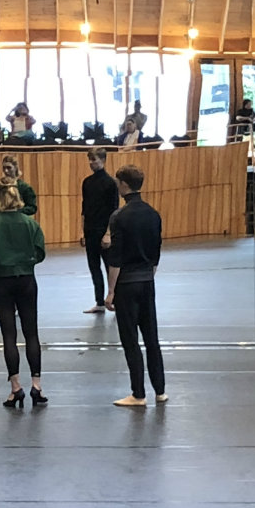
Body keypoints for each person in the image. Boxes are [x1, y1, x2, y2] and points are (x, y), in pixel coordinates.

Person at [0, 182, 47, 409]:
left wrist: (1, 256)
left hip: (2, 280)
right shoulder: (30, 223)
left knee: (8, 333)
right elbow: (41, 253)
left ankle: (15, 387)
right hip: (26, 279)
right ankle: (37, 384)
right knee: (31, 332)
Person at [104, 164, 166, 408]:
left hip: (127, 284)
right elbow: (156, 252)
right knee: (152, 338)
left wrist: (110, 292)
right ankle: (160, 390)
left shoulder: (119, 216)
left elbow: (115, 258)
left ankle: (138, 394)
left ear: (124, 185)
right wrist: (148, 274)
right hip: (147, 282)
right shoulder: (153, 214)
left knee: (131, 340)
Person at [80, 148, 120, 314]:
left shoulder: (111, 183)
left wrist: (108, 233)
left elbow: (114, 210)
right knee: (93, 267)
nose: (91, 163)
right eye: (90, 160)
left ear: (103, 160)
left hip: (104, 231)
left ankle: (114, 299)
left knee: (110, 267)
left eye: (94, 159)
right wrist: (82, 231)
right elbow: (84, 208)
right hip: (90, 231)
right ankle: (99, 302)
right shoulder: (87, 182)